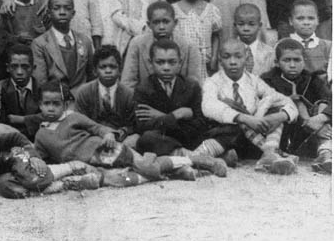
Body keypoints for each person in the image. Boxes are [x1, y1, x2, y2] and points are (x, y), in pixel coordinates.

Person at [33, 83, 190, 185]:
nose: (51, 108)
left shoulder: (73, 117)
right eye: (47, 104)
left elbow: (98, 128)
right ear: (40, 105)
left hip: (103, 150)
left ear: (65, 105)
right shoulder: (41, 135)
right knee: (119, 180)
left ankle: (192, 161)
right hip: (88, 165)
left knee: (149, 169)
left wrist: (108, 135)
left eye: (56, 104)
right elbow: (42, 159)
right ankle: (174, 170)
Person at [132, 40, 230, 173]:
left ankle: (186, 157)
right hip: (164, 140)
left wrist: (161, 118)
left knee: (228, 129)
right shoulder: (143, 89)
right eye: (160, 62)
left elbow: (200, 122)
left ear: (180, 62)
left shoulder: (191, 86)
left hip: (189, 137)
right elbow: (142, 126)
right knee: (146, 139)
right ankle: (199, 158)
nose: (166, 67)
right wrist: (177, 115)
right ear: (151, 63)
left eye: (172, 62)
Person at [201, 40, 299, 174]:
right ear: (220, 59)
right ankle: (269, 153)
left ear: (246, 57)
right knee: (231, 114)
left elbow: (285, 101)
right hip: (227, 135)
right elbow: (208, 105)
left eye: (238, 56)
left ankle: (269, 154)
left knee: (275, 109)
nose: (233, 62)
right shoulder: (213, 82)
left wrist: (280, 116)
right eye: (227, 56)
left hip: (253, 138)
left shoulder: (254, 81)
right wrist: (244, 118)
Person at [260, 38, 332, 172]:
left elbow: (329, 98)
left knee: (323, 105)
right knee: (278, 108)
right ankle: (271, 154)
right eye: (286, 60)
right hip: (279, 132)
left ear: (304, 61)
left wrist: (320, 118)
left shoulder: (312, 79)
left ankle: (325, 154)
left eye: (297, 60)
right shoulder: (268, 80)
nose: (292, 65)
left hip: (305, 135)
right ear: (276, 62)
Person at [121, 1, 202, 91]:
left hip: (179, 102)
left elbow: (195, 84)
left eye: (166, 22)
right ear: (149, 24)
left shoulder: (189, 46)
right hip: (144, 101)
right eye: (156, 22)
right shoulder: (137, 44)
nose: (161, 27)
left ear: (175, 23)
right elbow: (128, 83)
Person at [72, 46, 136, 147]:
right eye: (103, 67)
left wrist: (116, 134)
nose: (108, 71)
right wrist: (102, 133)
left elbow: (132, 125)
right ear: (94, 71)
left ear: (120, 70)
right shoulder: (84, 92)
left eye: (112, 67)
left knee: (134, 140)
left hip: (121, 138)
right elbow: (80, 122)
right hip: (92, 136)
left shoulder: (129, 94)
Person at [31, 0, 94, 92]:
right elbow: (41, 81)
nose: (62, 12)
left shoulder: (85, 41)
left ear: (73, 13)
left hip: (82, 100)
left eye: (67, 8)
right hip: (55, 100)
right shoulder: (40, 43)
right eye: (56, 8)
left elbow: (91, 76)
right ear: (49, 13)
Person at [173, 0, 222, 81]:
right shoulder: (174, 10)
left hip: (204, 61)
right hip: (182, 60)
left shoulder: (211, 10)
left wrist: (214, 57)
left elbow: (216, 36)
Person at [0, 45, 41, 138]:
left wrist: (23, 119)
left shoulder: (42, 88)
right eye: (14, 66)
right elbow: (1, 122)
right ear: (8, 68)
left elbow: (49, 117)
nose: (20, 72)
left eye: (25, 67)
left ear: (33, 68)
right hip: (8, 139)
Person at [286, 0, 332, 78]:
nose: (306, 23)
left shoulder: (328, 47)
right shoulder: (282, 45)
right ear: (291, 21)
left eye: (311, 18)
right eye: (300, 18)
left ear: (318, 20)